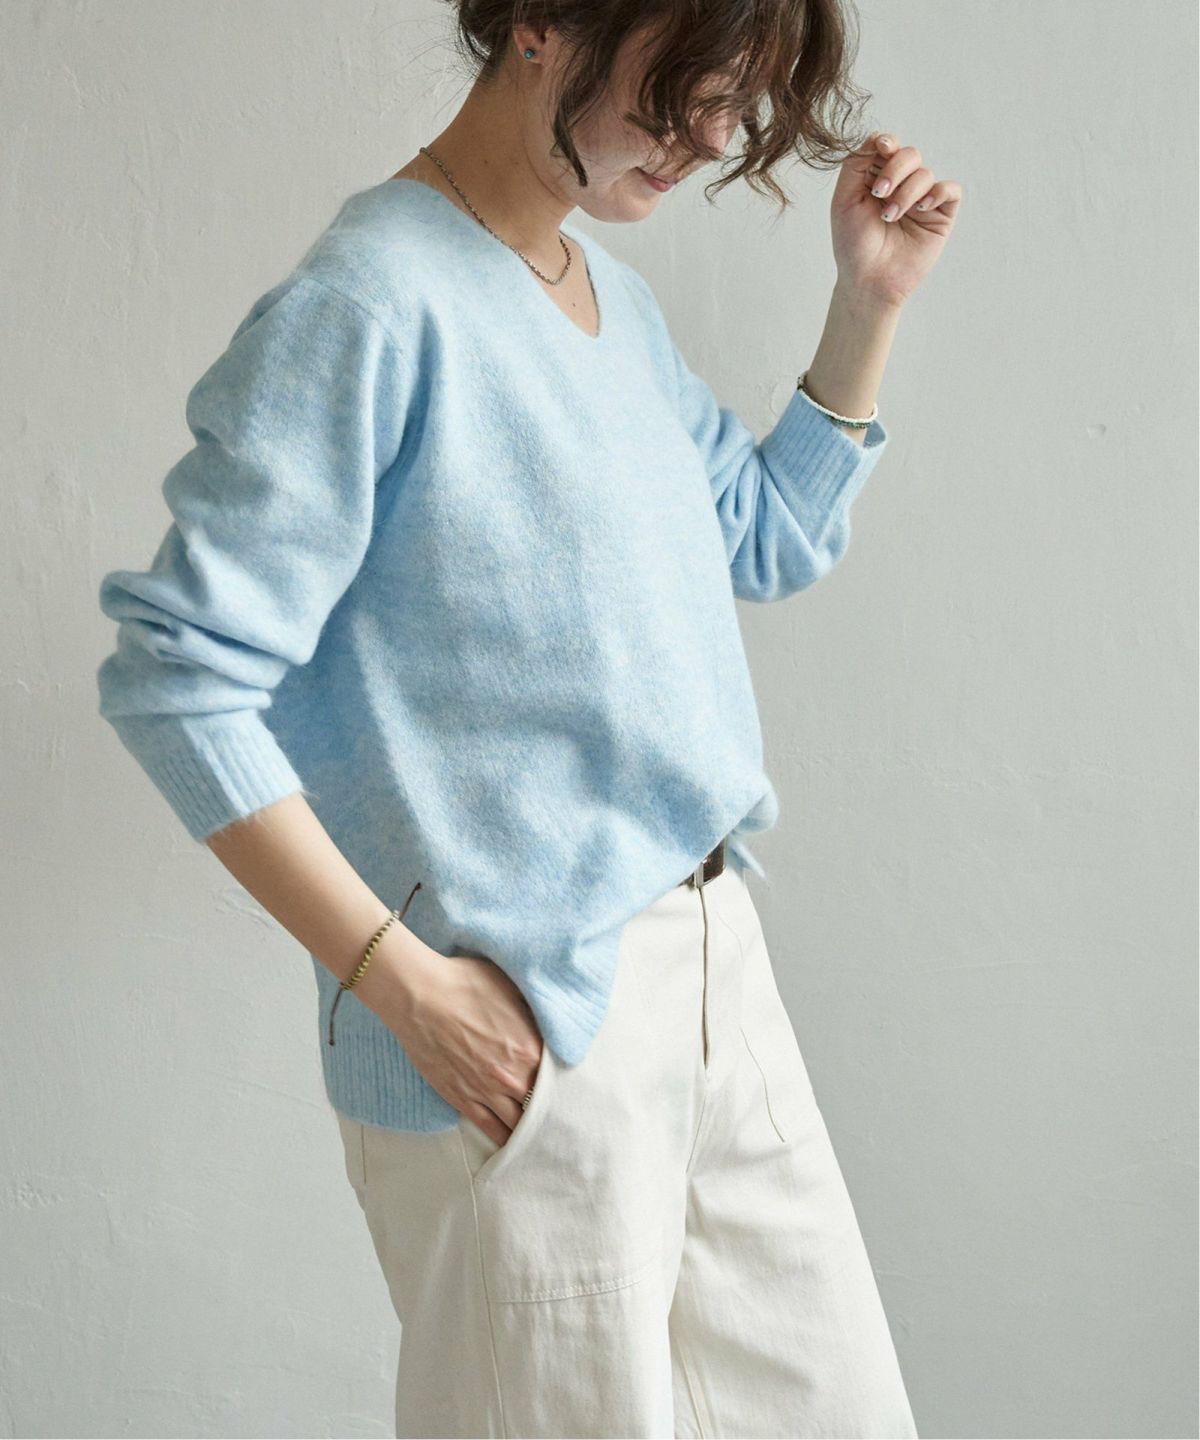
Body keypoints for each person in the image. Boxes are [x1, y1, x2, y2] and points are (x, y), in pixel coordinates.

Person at [96, 3, 961, 1435]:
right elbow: (177, 673)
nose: (712, 139)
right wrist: (398, 983)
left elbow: (763, 535)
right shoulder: (371, 302)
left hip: (715, 978)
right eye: (689, 87)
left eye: (737, 101)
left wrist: (867, 303)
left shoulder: (607, 299)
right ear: (544, 21)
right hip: (530, 1034)